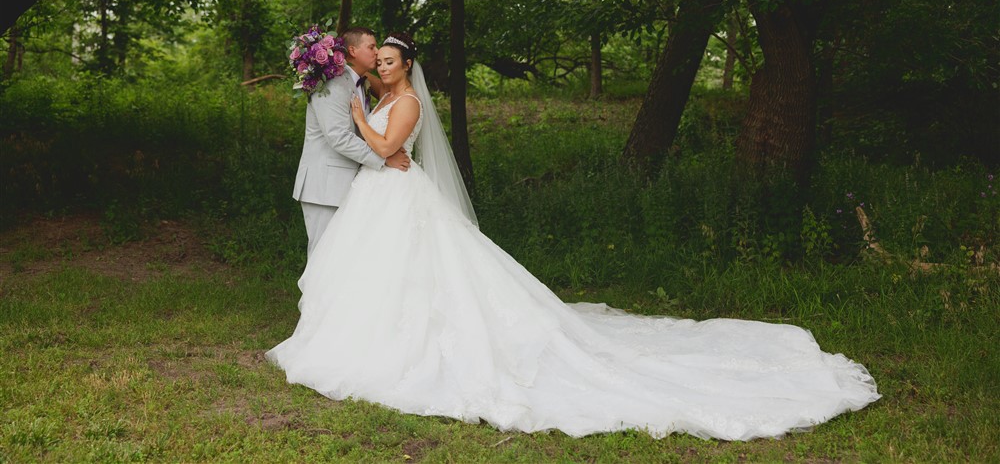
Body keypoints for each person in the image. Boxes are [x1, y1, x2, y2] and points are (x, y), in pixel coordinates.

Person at [268, 33, 880, 441]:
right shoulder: (369, 90)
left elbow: (384, 145)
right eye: (377, 58)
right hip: (381, 195)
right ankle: (370, 332)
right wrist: (349, 98)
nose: (380, 64)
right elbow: (363, 115)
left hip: (393, 188)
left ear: (408, 69)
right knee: (382, 274)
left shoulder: (402, 105)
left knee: (424, 271)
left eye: (389, 60)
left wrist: (360, 124)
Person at [291, 26, 410, 258]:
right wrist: (385, 158)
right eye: (372, 47)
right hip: (324, 186)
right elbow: (338, 137)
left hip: (346, 184)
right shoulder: (333, 84)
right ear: (353, 51)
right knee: (322, 257)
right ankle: (313, 296)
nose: (377, 52)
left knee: (342, 259)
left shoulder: (359, 81)